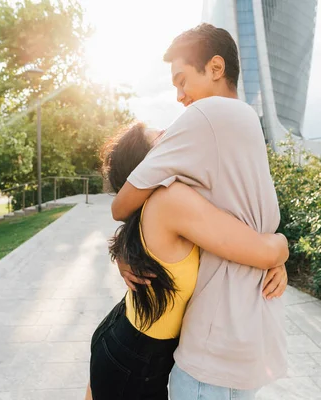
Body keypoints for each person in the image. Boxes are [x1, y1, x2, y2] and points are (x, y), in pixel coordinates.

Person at [110, 24, 287, 399]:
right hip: (246, 340)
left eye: (182, 80)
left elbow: (121, 204)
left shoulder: (205, 115)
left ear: (216, 67)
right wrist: (278, 249)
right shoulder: (247, 124)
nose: (178, 96)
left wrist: (277, 251)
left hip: (212, 344)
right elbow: (256, 221)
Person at [86, 123, 289, 400]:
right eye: (160, 135)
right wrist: (281, 247)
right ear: (148, 163)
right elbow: (264, 250)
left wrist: (273, 257)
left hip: (126, 341)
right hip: (133, 360)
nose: (172, 131)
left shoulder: (178, 196)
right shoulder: (171, 199)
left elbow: (245, 243)